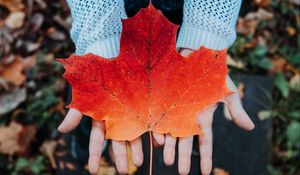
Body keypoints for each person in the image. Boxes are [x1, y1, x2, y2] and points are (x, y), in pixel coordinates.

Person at [58, 0, 255, 175]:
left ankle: (191, 129)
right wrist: (100, 33)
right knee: (95, 113)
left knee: (195, 113)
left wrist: (206, 29)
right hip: (112, 18)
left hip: (184, 15)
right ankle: (89, 140)